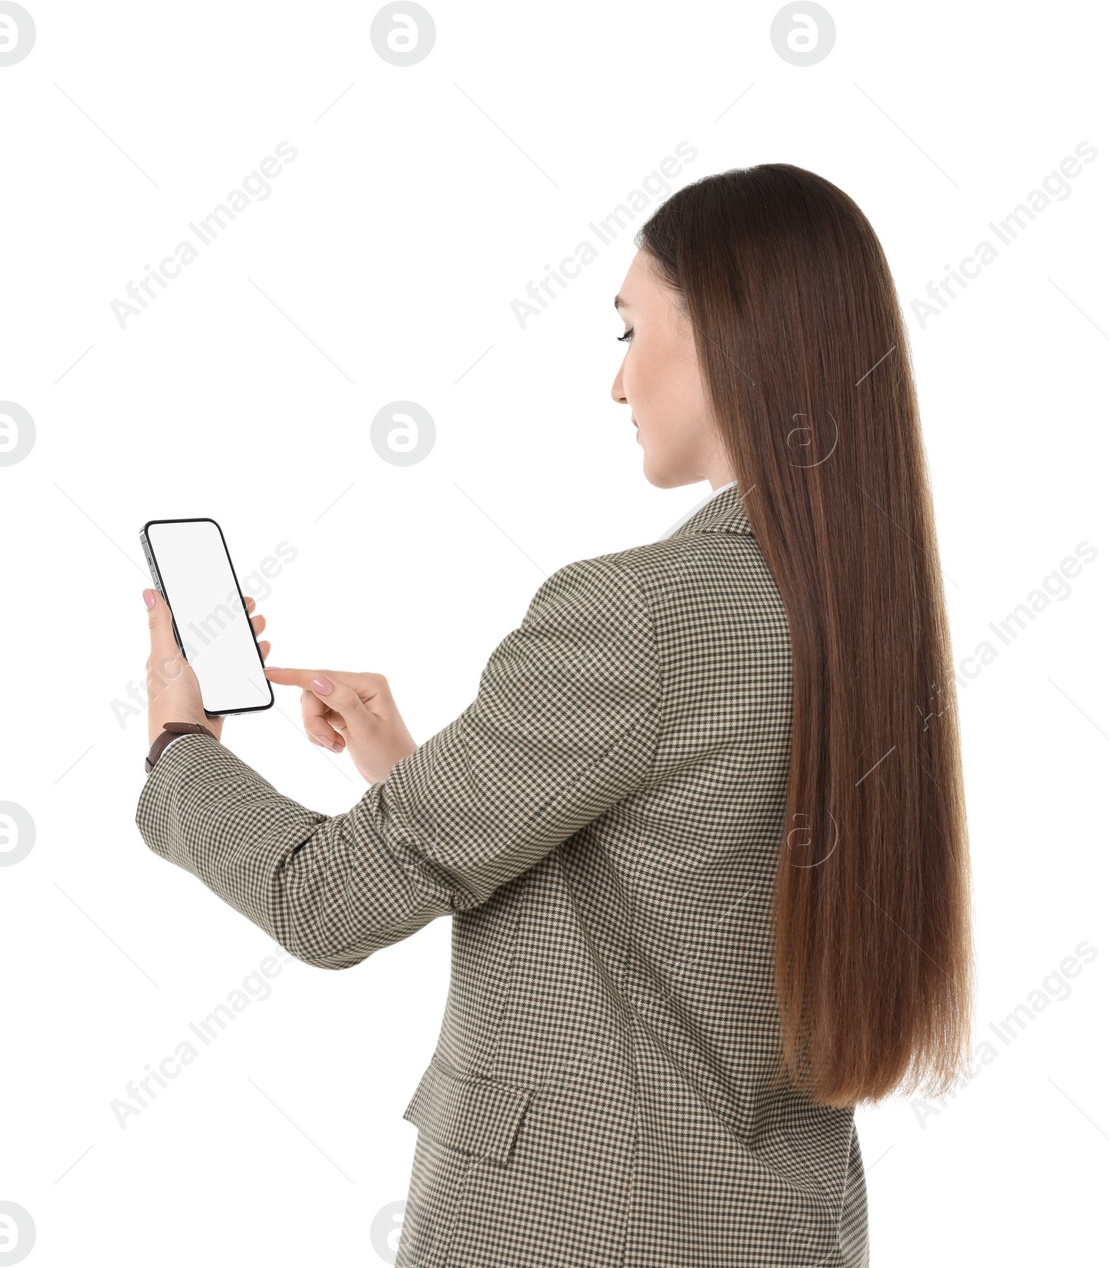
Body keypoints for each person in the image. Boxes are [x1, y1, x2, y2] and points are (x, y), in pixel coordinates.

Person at [136, 162, 973, 1267]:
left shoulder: (637, 611)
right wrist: (410, 775)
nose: (617, 386)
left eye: (628, 332)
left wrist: (179, 745)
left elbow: (325, 902)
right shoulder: (865, 614)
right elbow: (671, 881)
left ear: (729, 333)